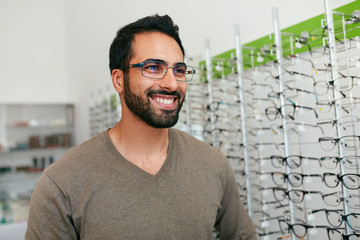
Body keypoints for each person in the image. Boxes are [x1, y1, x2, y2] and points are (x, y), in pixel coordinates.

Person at [25, 14, 257, 240]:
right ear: (118, 80)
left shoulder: (212, 163)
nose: (172, 83)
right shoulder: (62, 182)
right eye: (154, 68)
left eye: (179, 70)